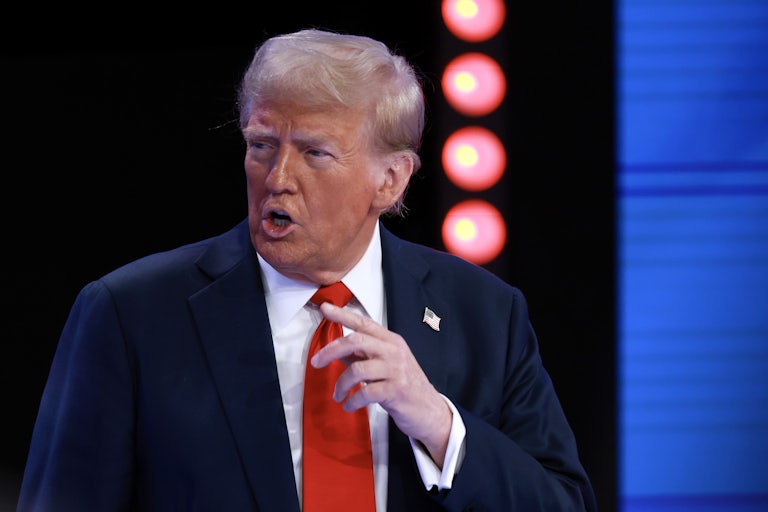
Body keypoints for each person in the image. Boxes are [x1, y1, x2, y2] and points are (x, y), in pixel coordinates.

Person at [17, 28, 597, 511]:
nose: (277, 178)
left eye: (315, 152)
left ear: (389, 179)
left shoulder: (485, 314)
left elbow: (563, 502)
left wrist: (438, 424)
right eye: (262, 144)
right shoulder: (131, 314)